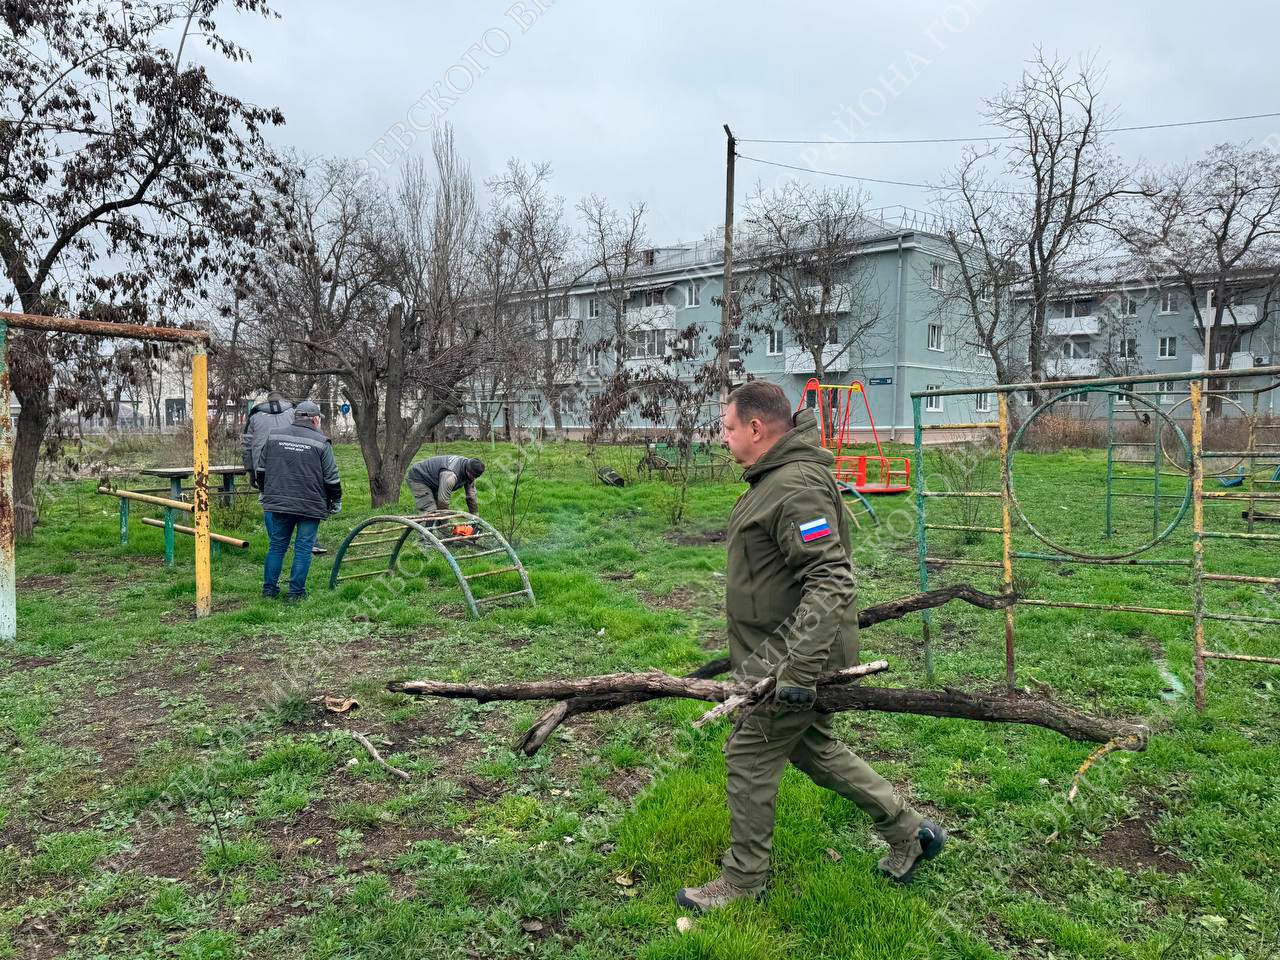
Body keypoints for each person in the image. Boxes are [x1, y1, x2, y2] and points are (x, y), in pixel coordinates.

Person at [676, 381, 945, 913]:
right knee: (811, 747)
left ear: (756, 428)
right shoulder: (776, 478)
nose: (724, 439)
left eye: (728, 428)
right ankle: (910, 832)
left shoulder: (795, 486)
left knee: (749, 755)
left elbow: (830, 580)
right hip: (776, 654)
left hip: (792, 660)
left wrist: (795, 671)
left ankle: (743, 883)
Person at [259, 400, 342, 602]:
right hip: (310, 504)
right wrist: (335, 500)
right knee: (303, 548)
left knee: (277, 546)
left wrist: (266, 492)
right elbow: (331, 478)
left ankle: (269, 590)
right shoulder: (322, 442)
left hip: (279, 502)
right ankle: (296, 593)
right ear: (315, 419)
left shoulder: (274, 436)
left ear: (295, 416)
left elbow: (261, 470)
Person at [405, 455, 484, 515]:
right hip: (419, 477)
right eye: (473, 476)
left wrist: (475, 519)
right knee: (430, 510)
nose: (474, 479)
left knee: (437, 510)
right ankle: (426, 535)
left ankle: (437, 532)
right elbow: (443, 501)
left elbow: (471, 497)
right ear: (468, 470)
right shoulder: (450, 475)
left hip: (434, 481)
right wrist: (445, 526)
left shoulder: (470, 471)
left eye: (476, 477)